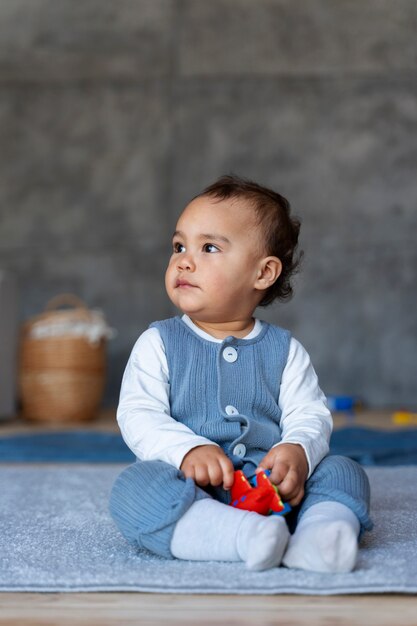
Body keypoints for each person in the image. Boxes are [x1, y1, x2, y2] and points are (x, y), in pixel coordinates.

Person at [110, 174, 373, 572]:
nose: (183, 259)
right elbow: (138, 414)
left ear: (263, 273)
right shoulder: (159, 343)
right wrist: (186, 450)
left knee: (344, 471)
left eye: (209, 247)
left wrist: (297, 452)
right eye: (179, 246)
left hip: (277, 488)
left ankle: (321, 533)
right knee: (134, 489)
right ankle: (239, 536)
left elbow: (309, 414)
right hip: (193, 492)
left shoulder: (284, 351)